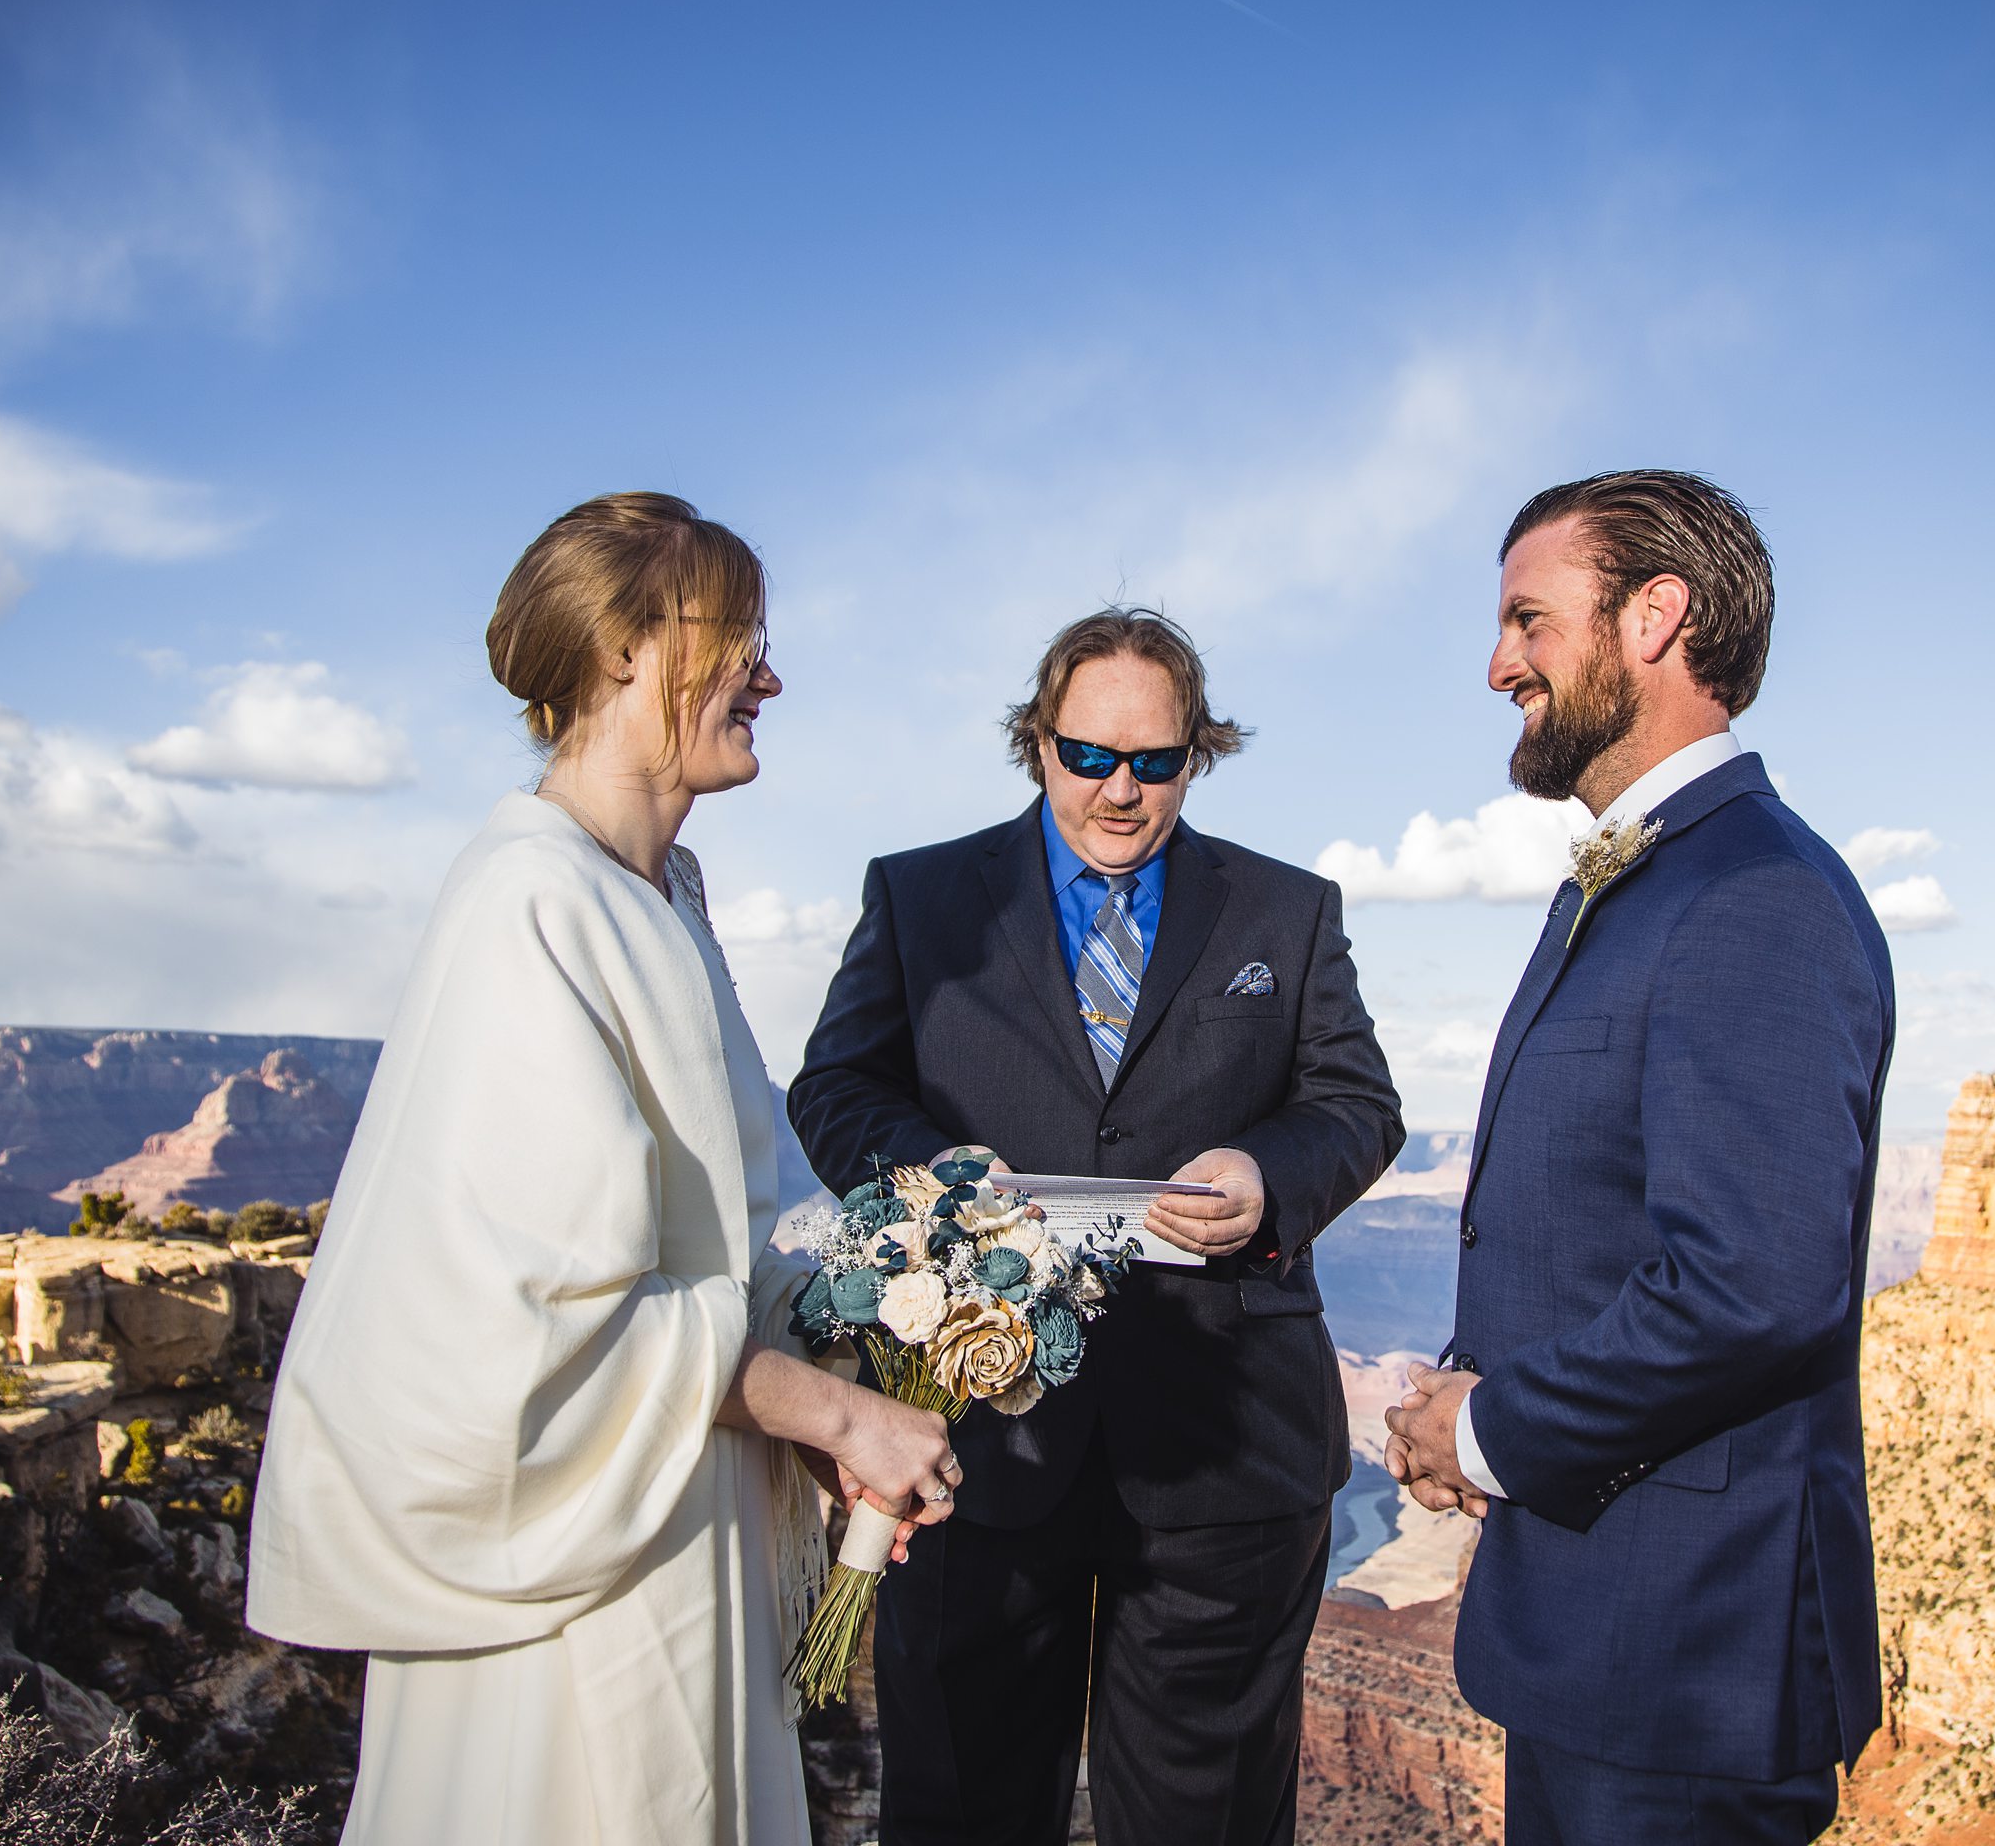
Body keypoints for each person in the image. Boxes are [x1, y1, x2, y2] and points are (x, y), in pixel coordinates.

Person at [247, 493, 963, 1846]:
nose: (771, 676)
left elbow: (690, 1259)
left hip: (675, 1538)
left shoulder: (661, 895)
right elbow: (540, 1321)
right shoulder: (535, 905)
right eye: (739, 638)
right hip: (577, 1593)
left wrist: (820, 1408)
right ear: (628, 648)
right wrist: (831, 1415)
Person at [788, 607, 1405, 1846]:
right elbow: (835, 1087)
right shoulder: (921, 899)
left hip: (1224, 1449)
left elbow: (1356, 1102)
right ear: (1037, 742)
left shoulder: (1284, 911)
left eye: (1157, 761)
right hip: (977, 1436)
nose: (1121, 790)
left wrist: (1268, 1176)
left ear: (1196, 754)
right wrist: (945, 1183)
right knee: (959, 1805)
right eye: (1089, 756)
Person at [1384, 471, 1894, 1846]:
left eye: (1530, 620)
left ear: (1656, 615)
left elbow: (1749, 1285)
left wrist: (1484, 1436)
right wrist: (1460, 1400)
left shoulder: (1756, 898)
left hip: (1689, 1662)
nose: (1499, 664)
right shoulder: (1638, 882)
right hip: (1598, 1640)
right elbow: (1579, 1222)